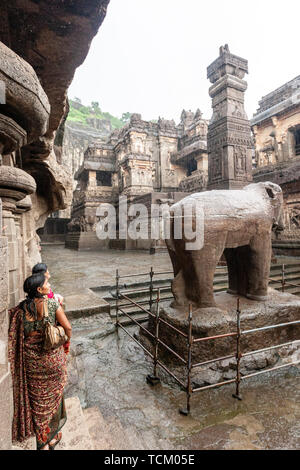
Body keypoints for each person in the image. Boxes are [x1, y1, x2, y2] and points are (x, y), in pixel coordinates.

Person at [8, 272, 72, 450]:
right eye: (46, 283)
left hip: (32, 364)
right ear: (39, 289)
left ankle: (42, 443)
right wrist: (65, 345)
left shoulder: (21, 311)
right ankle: (51, 438)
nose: (49, 285)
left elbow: (16, 334)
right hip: (52, 360)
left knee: (37, 403)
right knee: (54, 398)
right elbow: (67, 327)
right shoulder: (52, 305)